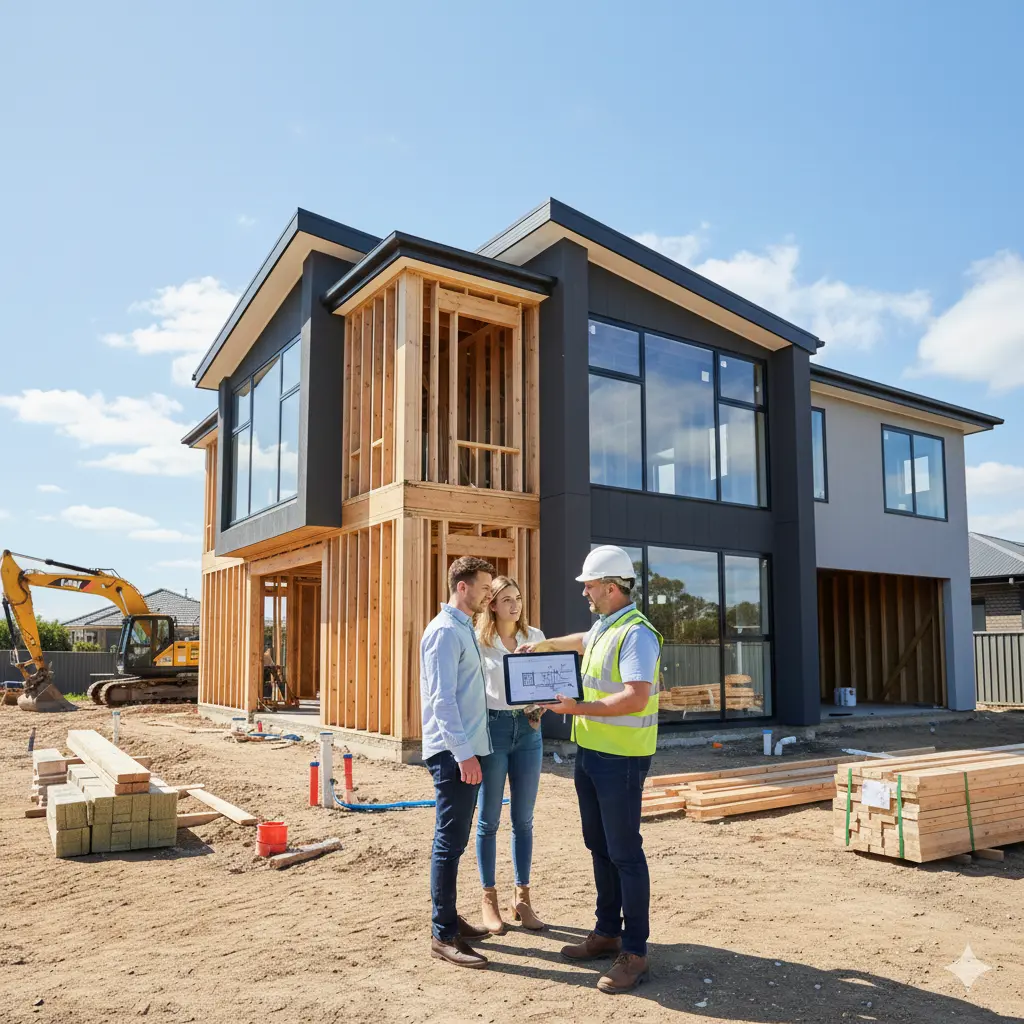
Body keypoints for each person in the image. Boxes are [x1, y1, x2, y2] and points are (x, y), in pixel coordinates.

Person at [518, 545, 662, 995]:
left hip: (621, 758)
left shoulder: (637, 634)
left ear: (612, 587)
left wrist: (577, 706)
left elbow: (637, 697)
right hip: (593, 753)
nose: (585, 591)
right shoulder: (607, 625)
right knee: (598, 844)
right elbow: (582, 640)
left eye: (590, 585)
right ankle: (607, 931)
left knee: (624, 852)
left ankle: (634, 951)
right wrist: (543, 644)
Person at [420, 555, 497, 969]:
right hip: (453, 755)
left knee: (457, 842)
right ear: (462, 587)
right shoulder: (445, 632)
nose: (489, 594)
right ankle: (442, 935)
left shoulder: (463, 629)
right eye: (485, 587)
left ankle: (449, 919)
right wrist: (464, 754)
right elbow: (442, 700)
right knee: (448, 844)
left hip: (465, 751)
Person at [474, 576, 547, 935]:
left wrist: (541, 707)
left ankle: (523, 900)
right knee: (489, 820)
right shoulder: (479, 641)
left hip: (529, 729)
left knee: (524, 819)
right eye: (506, 599)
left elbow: (547, 682)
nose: (515, 605)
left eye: (517, 598)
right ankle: (489, 899)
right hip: (494, 729)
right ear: (492, 605)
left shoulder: (535, 637)